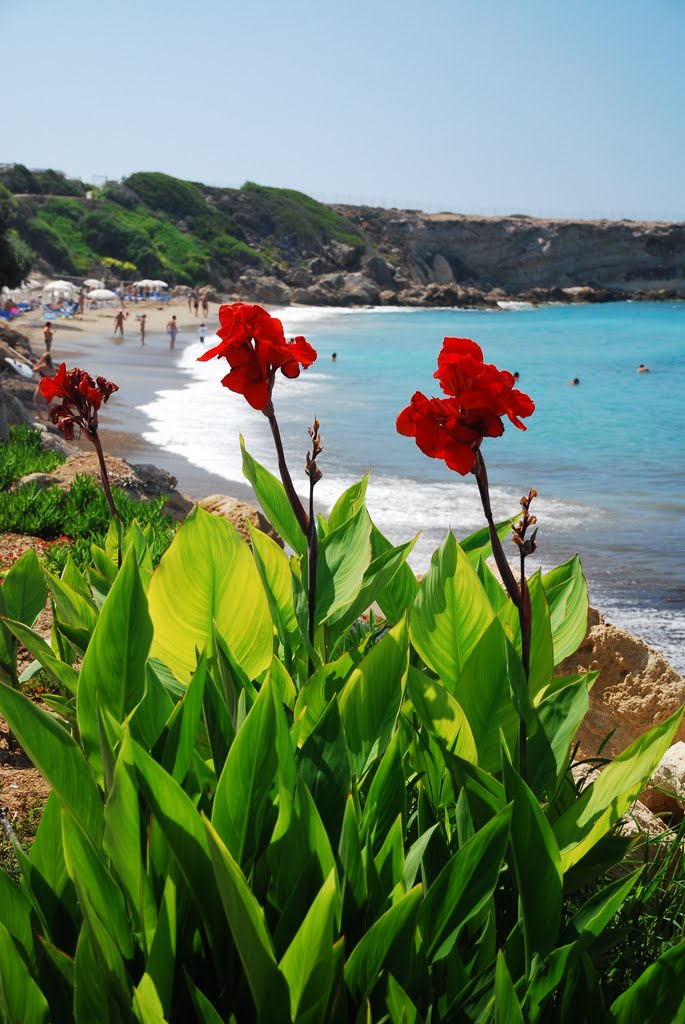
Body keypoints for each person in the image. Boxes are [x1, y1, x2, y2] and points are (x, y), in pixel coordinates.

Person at [32, 351, 54, 419]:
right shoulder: (52, 367)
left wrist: (39, 361)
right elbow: (54, 375)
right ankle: (49, 417)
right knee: (48, 401)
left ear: (44, 358)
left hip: (43, 384)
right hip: (49, 384)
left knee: (35, 400)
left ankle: (39, 415)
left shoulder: (42, 366)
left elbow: (34, 369)